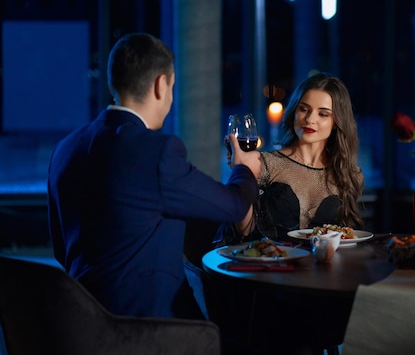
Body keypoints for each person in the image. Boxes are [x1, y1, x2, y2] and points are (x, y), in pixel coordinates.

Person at [47, 32, 261, 320]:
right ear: (161, 85)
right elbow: (234, 206)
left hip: (81, 325)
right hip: (150, 329)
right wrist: (245, 168)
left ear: (114, 82)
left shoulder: (64, 149)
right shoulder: (157, 151)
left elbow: (63, 249)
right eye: (172, 86)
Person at [215, 72, 365, 245]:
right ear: (294, 112)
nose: (310, 119)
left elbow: (348, 237)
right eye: (303, 109)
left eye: (323, 114)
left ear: (337, 122)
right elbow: (244, 229)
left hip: (322, 269)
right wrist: (240, 173)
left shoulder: (350, 174)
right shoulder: (265, 164)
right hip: (268, 266)